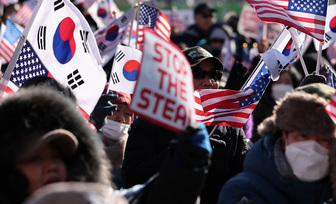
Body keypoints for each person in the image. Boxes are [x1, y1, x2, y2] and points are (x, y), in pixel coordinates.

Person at [0, 86, 212, 204]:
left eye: (56, 156)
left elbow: (154, 197)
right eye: (36, 158)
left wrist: (186, 164)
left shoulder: (93, 200)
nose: (51, 166)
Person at [122, 46, 249, 204]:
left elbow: (245, 179)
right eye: (199, 73)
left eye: (214, 75)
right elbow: (133, 177)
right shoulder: (150, 122)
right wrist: (180, 150)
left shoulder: (229, 126)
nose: (209, 82)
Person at [218, 88, 336, 204]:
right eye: (303, 135)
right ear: (283, 135)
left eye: (323, 138)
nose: (312, 146)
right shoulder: (243, 190)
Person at [99, 90, 134, 188]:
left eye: (127, 114)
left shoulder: (133, 153)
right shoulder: (84, 143)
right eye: (116, 110)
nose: (121, 118)